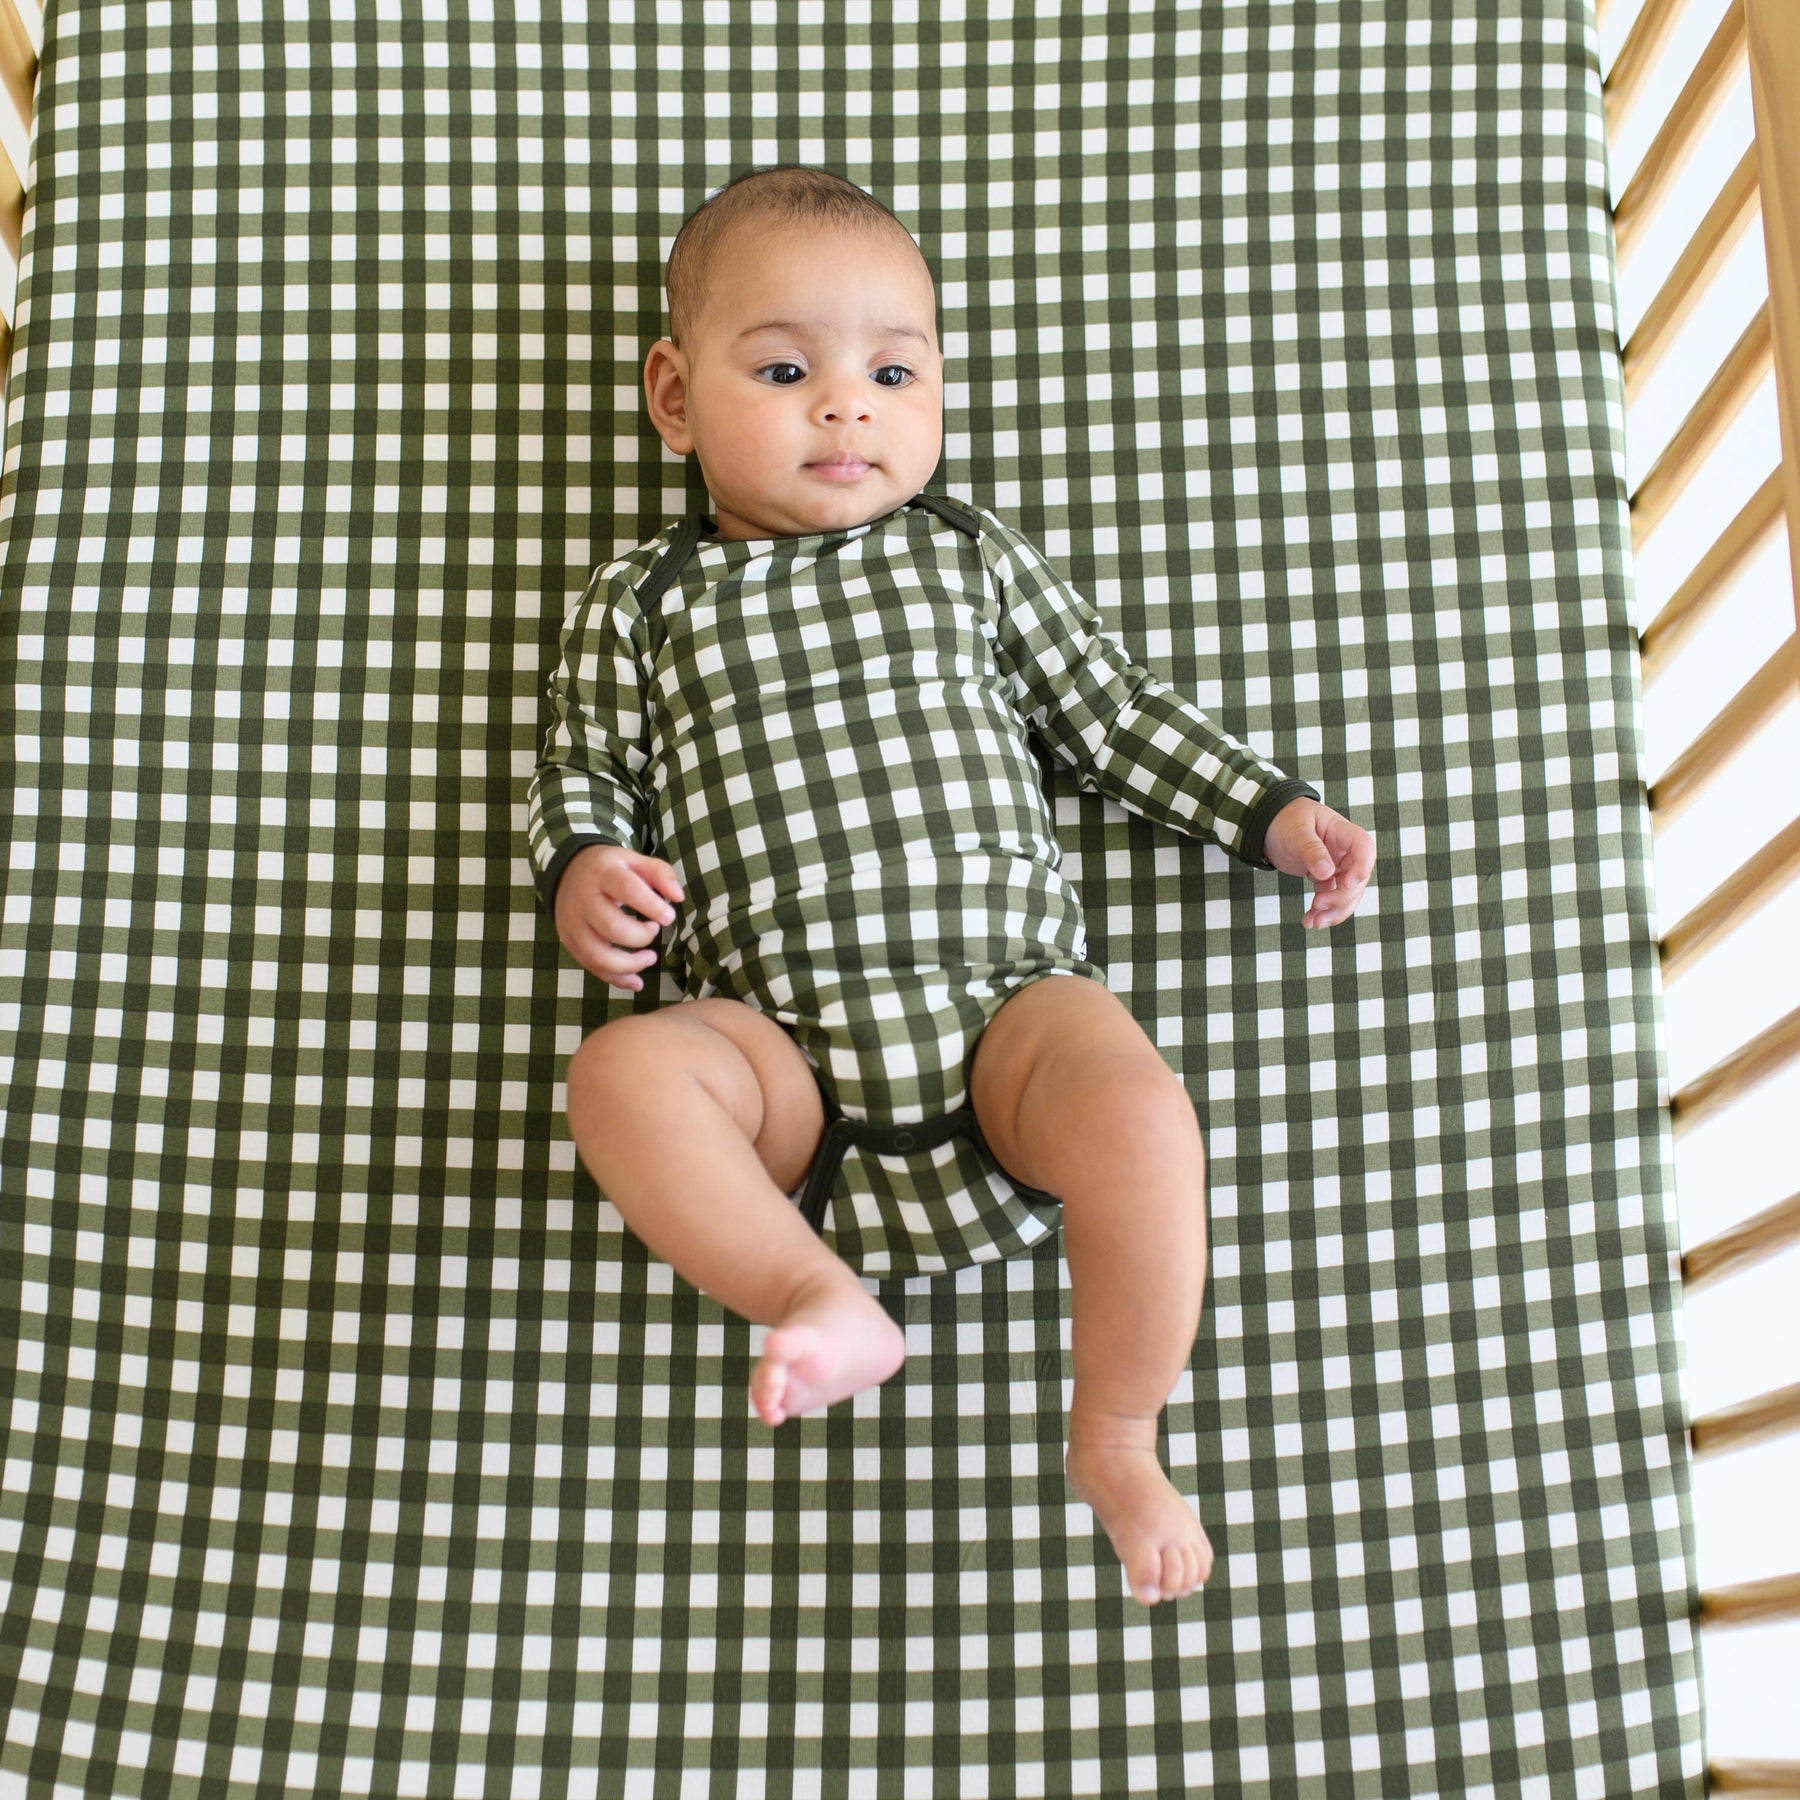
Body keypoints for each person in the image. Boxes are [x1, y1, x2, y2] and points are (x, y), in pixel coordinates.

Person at [525, 167, 1375, 1607]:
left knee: (1142, 1112)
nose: (846, 406)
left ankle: (1116, 1428)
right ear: (675, 399)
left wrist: (1272, 815)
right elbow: (581, 771)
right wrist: (583, 870)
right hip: (780, 1063)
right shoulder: (643, 603)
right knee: (617, 1075)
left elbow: (1109, 717)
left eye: (894, 370)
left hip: (1005, 1027)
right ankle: (810, 1293)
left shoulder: (962, 556)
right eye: (786, 369)